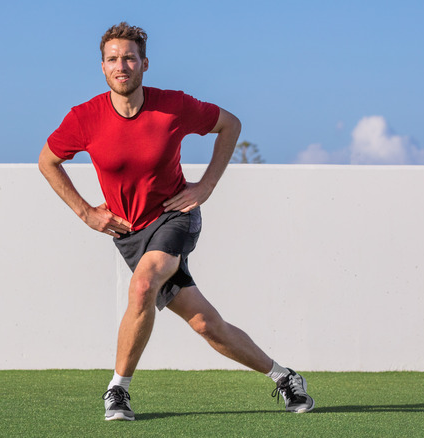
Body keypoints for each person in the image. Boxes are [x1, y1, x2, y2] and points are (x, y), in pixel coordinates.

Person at [38, 22, 314, 421]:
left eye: (129, 58)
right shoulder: (85, 118)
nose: (122, 66)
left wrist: (206, 186)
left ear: (144, 64)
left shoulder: (173, 106)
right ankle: (284, 376)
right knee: (206, 324)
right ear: (102, 67)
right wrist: (87, 212)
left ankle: (117, 391)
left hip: (175, 216)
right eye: (113, 59)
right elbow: (48, 161)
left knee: (143, 285)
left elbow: (229, 124)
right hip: (129, 233)